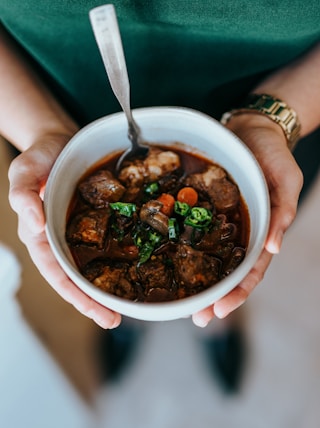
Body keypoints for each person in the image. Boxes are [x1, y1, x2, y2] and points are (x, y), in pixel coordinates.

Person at [1, 1, 320, 390]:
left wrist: (274, 116)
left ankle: (217, 326)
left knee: (230, 285)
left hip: (266, 127)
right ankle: (129, 318)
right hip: (51, 101)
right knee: (110, 302)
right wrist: (40, 128)